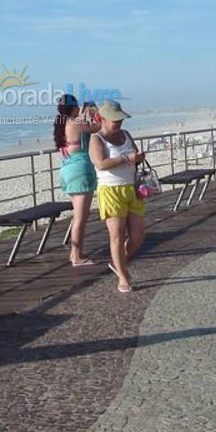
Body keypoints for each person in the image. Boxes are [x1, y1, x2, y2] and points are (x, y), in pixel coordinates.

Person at [88, 100, 146, 293]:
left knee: (138, 234)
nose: (118, 124)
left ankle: (118, 262)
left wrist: (138, 158)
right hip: (110, 190)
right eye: (114, 120)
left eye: (120, 120)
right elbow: (100, 163)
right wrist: (125, 159)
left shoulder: (126, 134)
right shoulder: (97, 139)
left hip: (130, 187)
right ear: (102, 119)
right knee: (117, 236)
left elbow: (135, 156)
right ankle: (122, 275)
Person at [54, 94, 101, 267]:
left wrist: (82, 113)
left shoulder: (60, 125)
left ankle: (75, 253)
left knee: (78, 215)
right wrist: (94, 112)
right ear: (75, 108)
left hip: (66, 171)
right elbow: (99, 126)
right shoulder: (79, 123)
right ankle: (76, 255)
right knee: (81, 217)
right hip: (81, 170)